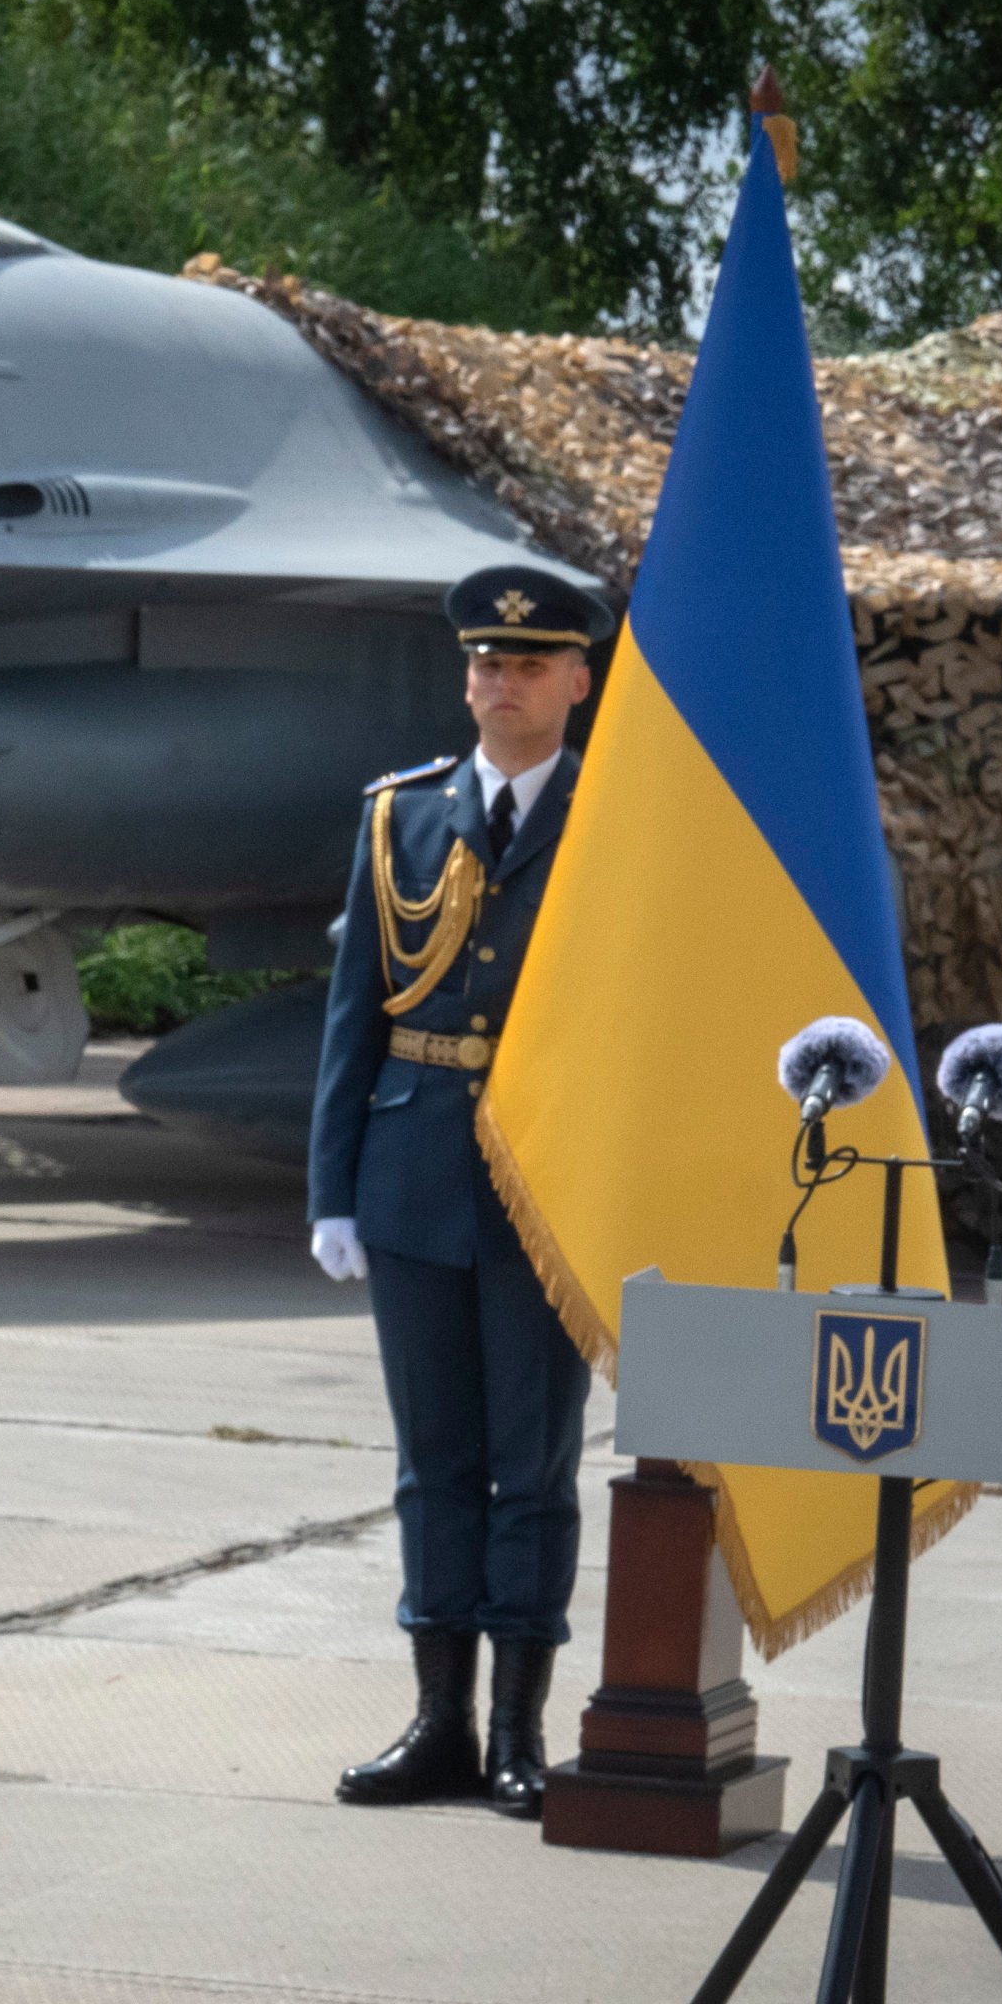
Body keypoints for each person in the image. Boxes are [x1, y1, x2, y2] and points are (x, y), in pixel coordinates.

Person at [309, 565, 612, 1821]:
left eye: (530, 665)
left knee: (529, 1471)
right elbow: (355, 1015)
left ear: (579, 681)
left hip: (551, 1186)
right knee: (432, 1464)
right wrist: (334, 1186)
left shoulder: (616, 821)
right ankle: (438, 1721)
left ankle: (516, 1733)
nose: (502, 682)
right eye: (486, 664)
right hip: (416, 1171)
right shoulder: (403, 818)